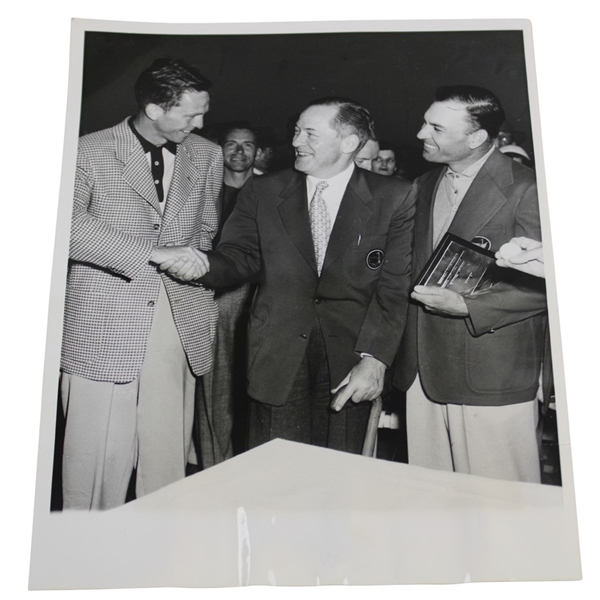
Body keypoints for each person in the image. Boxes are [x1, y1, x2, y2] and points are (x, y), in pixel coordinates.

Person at [200, 97, 415, 454]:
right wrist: (202, 264)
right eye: (297, 132)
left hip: (351, 359)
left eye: (310, 134)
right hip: (276, 354)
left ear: (348, 143)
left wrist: (375, 360)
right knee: (275, 473)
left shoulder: (394, 196)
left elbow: (394, 287)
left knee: (338, 477)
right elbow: (239, 257)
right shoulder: (264, 190)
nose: (297, 141)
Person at [59, 58, 223, 509]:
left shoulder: (207, 154)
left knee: (166, 447)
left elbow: (206, 226)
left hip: (177, 316)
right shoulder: (87, 150)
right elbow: (65, 227)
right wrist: (153, 254)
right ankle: (85, 545)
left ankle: (158, 545)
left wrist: (192, 261)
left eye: (203, 112)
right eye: (190, 115)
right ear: (154, 108)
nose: (201, 123)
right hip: (102, 318)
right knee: (96, 451)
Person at [393, 85, 547, 483]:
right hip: (422, 371)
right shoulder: (424, 184)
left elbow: (551, 285)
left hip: (489, 373)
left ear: (477, 138)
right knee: (433, 499)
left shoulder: (527, 189)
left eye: (436, 128)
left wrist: (469, 307)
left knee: (501, 506)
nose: (420, 135)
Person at [195, 123, 258, 467]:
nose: (238, 152)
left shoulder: (270, 191)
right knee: (216, 384)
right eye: (231, 144)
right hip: (216, 298)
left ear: (258, 152)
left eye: (247, 146)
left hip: (256, 297)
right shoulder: (206, 191)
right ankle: (214, 463)